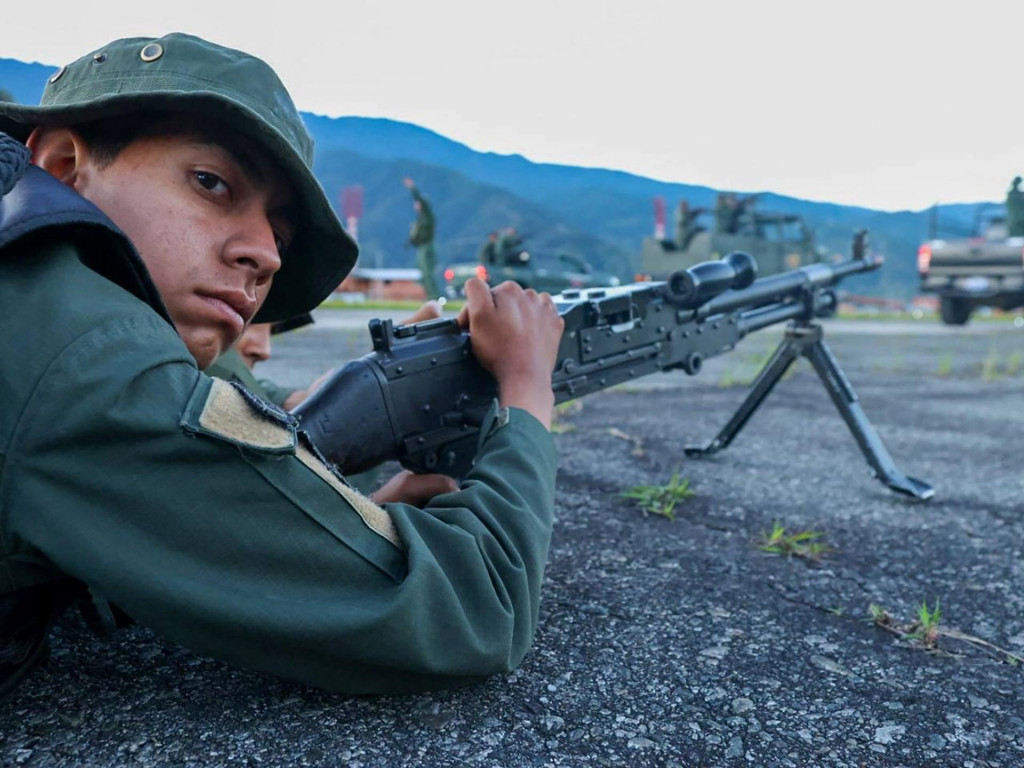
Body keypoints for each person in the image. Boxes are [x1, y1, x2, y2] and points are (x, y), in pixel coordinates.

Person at [0, 33, 564, 696]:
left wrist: (299, 532)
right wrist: (527, 389)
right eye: (212, 183)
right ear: (65, 166)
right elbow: (479, 607)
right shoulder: (90, 359)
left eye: (280, 234)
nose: (266, 254)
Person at [404, 177, 439, 298]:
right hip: (421, 247)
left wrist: (412, 188)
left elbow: (420, 199)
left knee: (428, 274)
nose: (416, 205)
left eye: (417, 204)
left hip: (427, 247)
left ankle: (434, 298)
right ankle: (430, 297)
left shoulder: (428, 215)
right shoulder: (421, 218)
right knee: (424, 275)